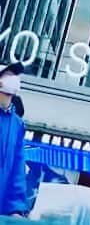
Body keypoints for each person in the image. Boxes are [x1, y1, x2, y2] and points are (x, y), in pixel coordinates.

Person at [0, 62, 29, 217]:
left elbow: (17, 168)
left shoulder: (17, 124)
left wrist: (16, 209)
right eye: (8, 75)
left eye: (14, 76)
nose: (13, 79)